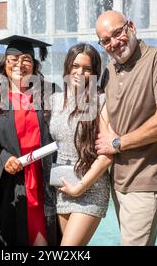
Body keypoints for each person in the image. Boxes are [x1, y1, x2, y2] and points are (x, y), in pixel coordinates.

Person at [94, 10, 157, 246]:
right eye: (106, 40)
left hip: (147, 175)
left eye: (118, 33)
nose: (114, 43)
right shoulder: (110, 70)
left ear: (131, 27)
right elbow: (105, 113)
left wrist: (117, 143)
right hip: (120, 177)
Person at [0, 35, 59, 246]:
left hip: (45, 177)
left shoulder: (50, 93)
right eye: (13, 59)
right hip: (10, 183)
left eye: (26, 59)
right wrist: (3, 158)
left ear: (34, 65)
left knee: (44, 238)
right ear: (4, 63)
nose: (19, 64)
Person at [49, 43, 113, 246]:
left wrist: (81, 186)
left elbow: (107, 155)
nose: (79, 72)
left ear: (94, 73)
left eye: (87, 69)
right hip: (63, 187)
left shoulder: (101, 102)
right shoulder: (55, 100)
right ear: (68, 66)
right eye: (75, 66)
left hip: (90, 188)